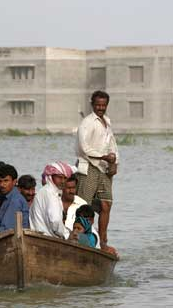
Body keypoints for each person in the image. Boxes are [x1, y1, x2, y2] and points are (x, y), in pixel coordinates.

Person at [76, 90, 119, 254]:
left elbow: (113, 146)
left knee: (106, 204)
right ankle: (79, 239)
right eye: (98, 105)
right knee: (83, 205)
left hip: (104, 168)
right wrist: (104, 157)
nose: (101, 108)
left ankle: (103, 243)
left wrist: (115, 162)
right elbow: (84, 147)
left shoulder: (107, 122)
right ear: (92, 104)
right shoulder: (87, 122)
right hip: (89, 166)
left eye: (103, 105)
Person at [29, 162, 73, 238]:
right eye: (59, 177)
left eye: (65, 178)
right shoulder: (50, 193)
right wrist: (67, 235)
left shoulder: (46, 191)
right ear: (51, 176)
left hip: (39, 235)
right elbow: (55, 221)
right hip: (45, 238)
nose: (63, 181)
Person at [61, 175, 88, 239]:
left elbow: (87, 227)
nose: (72, 191)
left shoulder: (82, 204)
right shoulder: (54, 201)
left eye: (74, 188)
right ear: (62, 188)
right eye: (69, 188)